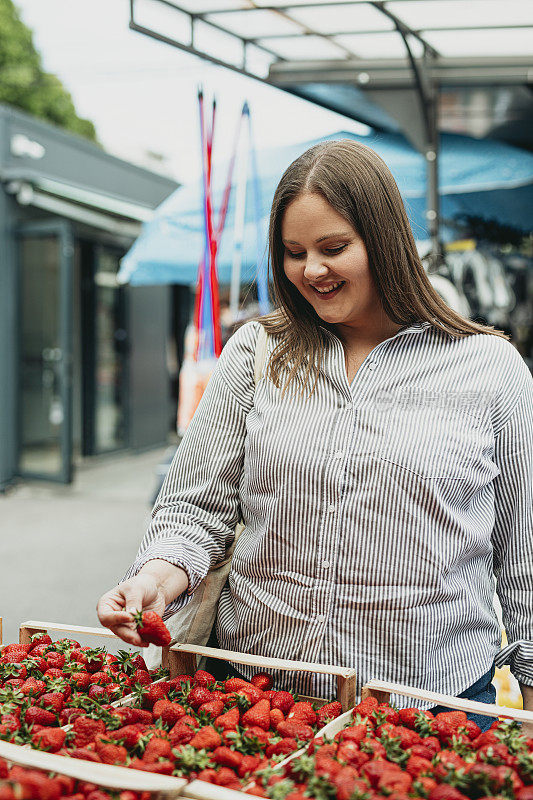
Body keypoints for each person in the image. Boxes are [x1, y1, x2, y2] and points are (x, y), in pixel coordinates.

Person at [98, 140, 532, 732]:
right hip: (258, 697)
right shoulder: (257, 353)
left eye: (334, 248)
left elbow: (524, 553)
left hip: (429, 707)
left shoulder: (488, 368)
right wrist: (149, 581)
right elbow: (194, 512)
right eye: (293, 252)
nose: (312, 270)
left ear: (386, 241)